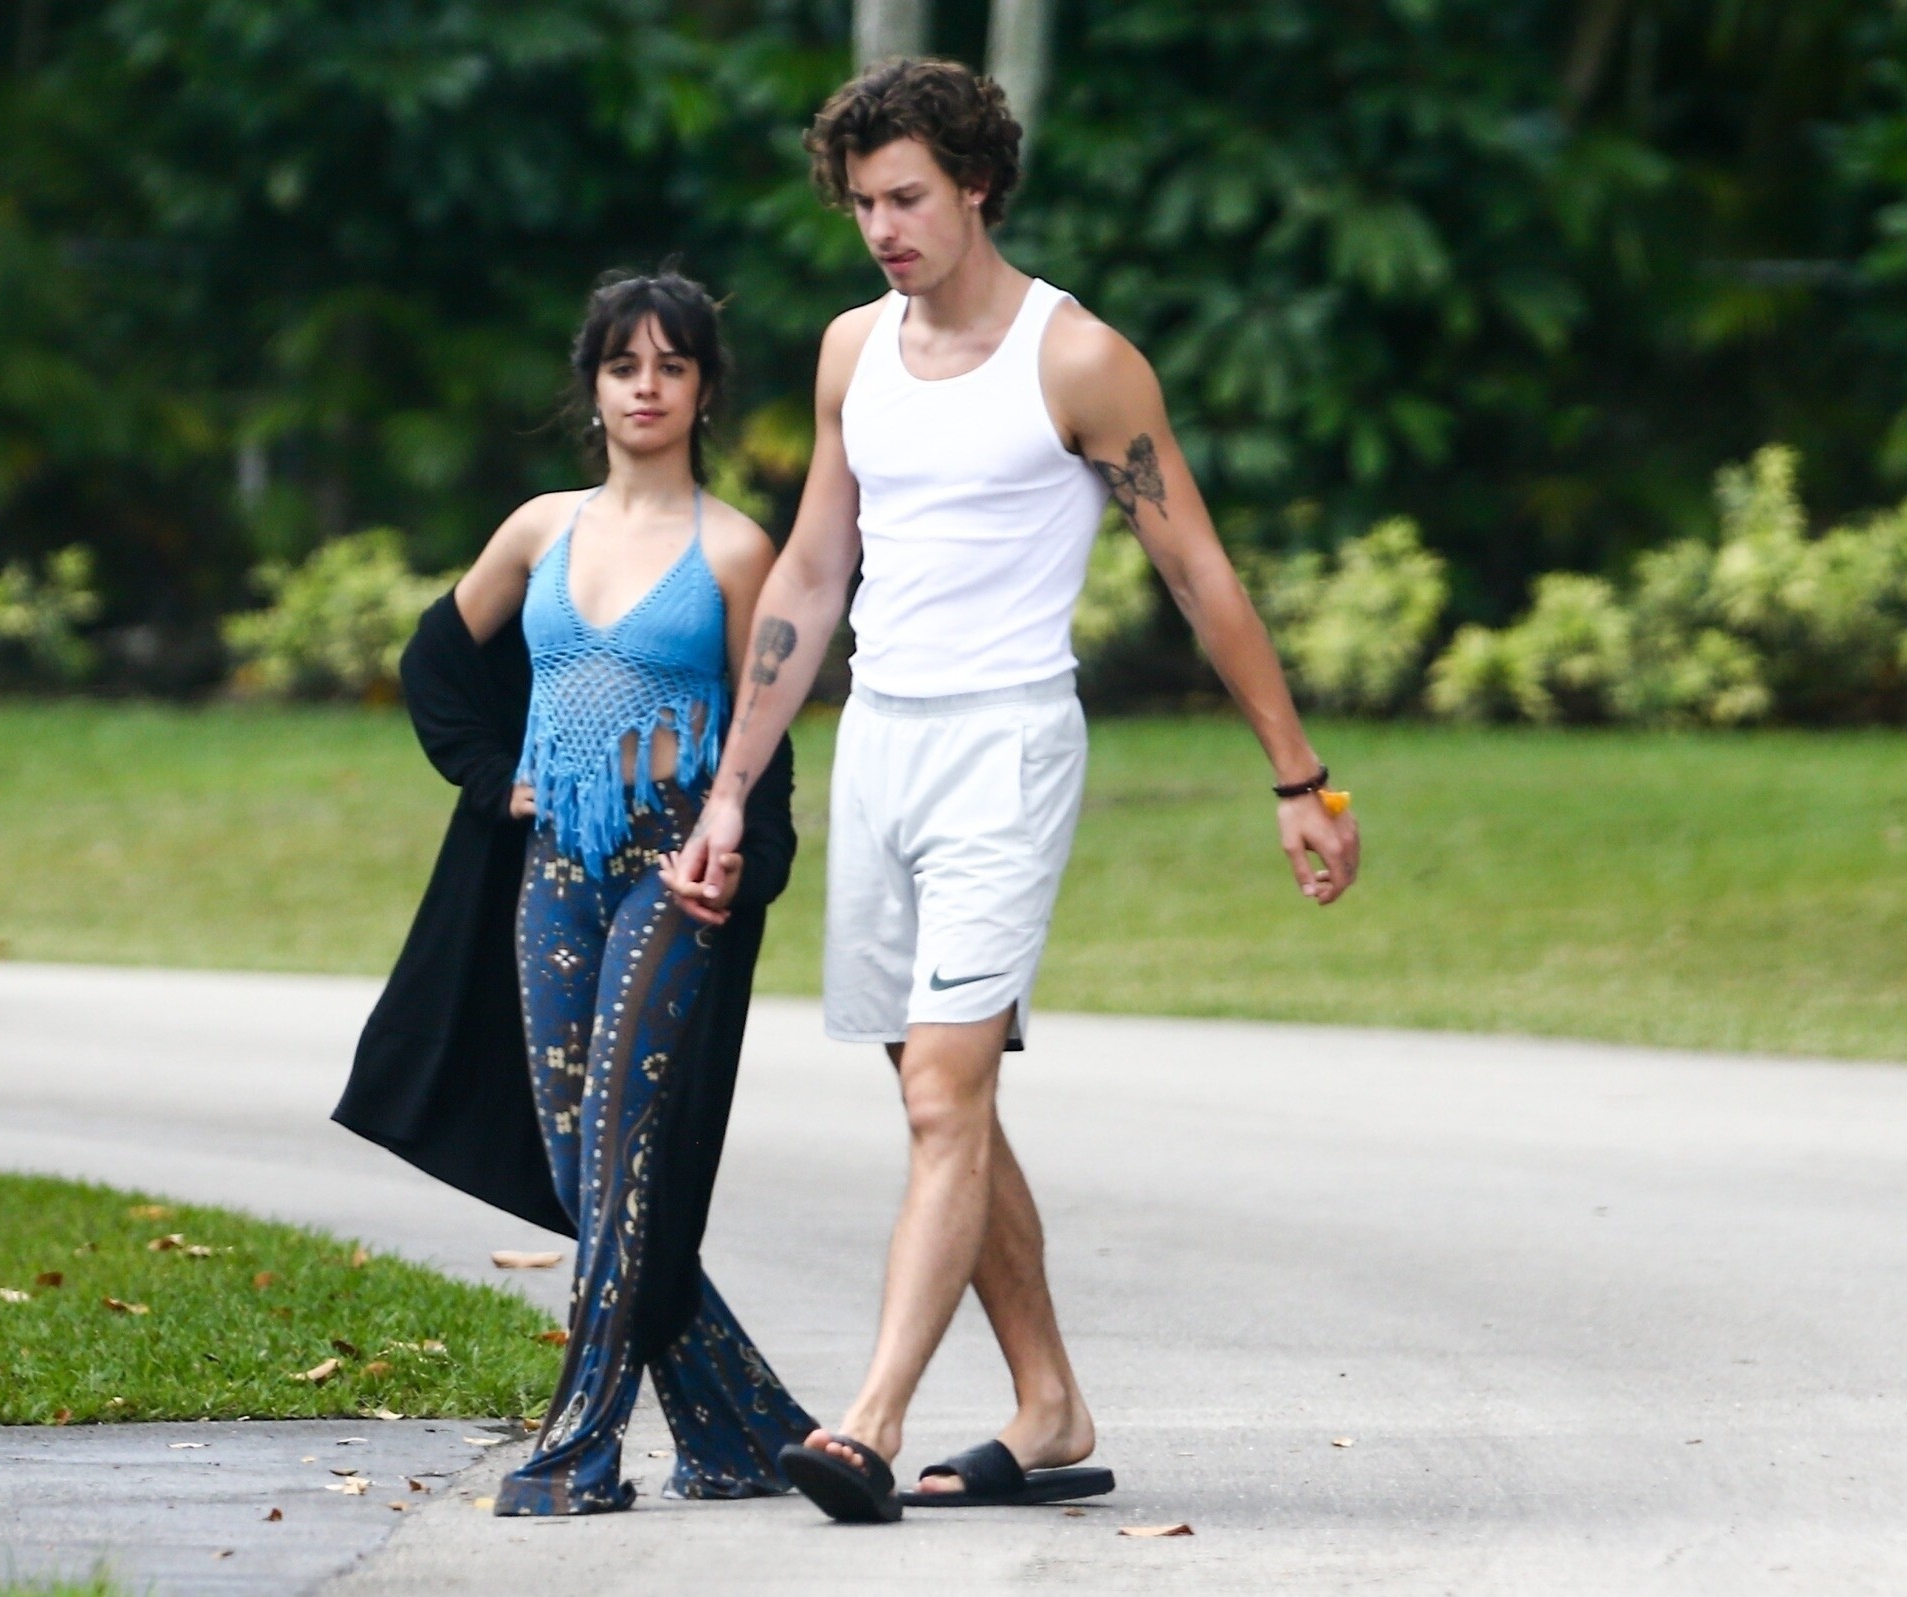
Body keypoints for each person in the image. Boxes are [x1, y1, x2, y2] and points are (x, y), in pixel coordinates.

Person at [661, 59, 1362, 1523]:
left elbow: (1196, 570)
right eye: (862, 203)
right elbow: (811, 575)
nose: (882, 228)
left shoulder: (1077, 359)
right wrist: (730, 792)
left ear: (976, 185)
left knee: (940, 1090)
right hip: (882, 745)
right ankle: (1049, 1406)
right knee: (942, 1095)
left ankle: (864, 1423)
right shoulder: (852, 351)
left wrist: (1297, 774)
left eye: (906, 197)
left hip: (1007, 747)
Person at [335, 268, 816, 1518]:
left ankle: (580, 1447)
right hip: (552, 871)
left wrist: (747, 860)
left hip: (671, 871)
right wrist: (494, 779)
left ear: (703, 389)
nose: (645, 387)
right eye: (622, 365)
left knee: (618, 1151)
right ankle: (746, 1433)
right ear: (591, 385)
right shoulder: (538, 529)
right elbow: (436, 662)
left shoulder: (736, 549)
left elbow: (764, 735)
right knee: (582, 1168)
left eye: (671, 366)